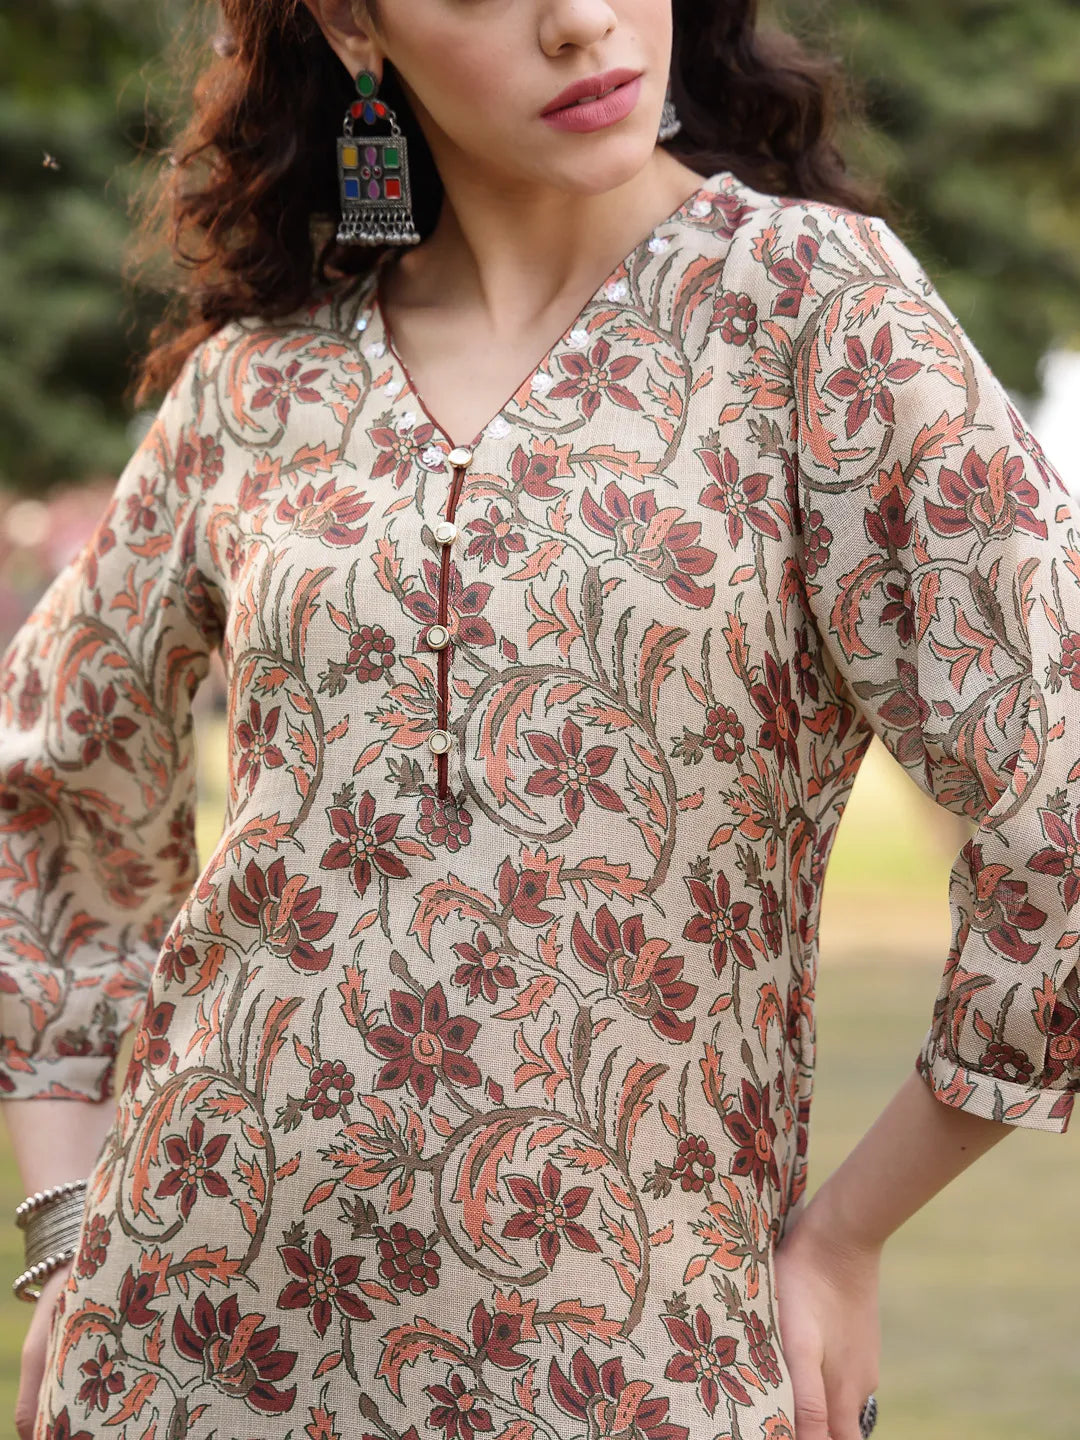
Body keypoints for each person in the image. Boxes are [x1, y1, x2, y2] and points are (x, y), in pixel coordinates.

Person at [3, 1, 1078, 1438]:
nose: (578, 19)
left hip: (630, 1359)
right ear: (354, 23)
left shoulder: (815, 315)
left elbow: (1059, 793)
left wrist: (846, 1236)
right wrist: (68, 1224)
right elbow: (53, 796)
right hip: (187, 1351)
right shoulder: (260, 387)